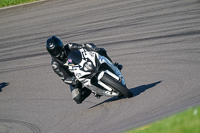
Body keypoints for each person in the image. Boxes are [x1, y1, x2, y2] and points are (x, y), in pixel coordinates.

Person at [46, 36, 123, 104]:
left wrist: (92, 48)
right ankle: (91, 89)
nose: (57, 52)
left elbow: (83, 46)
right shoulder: (55, 64)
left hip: (84, 63)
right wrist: (74, 81)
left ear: (61, 45)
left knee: (101, 51)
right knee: (77, 98)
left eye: (58, 49)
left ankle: (112, 65)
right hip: (76, 77)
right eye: (54, 52)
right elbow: (64, 78)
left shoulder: (70, 46)